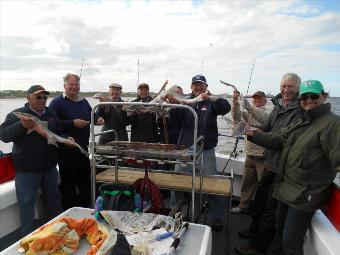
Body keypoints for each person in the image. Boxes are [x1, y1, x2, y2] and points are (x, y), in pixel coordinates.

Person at [245, 80, 340, 255]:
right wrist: (251, 132)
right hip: (286, 189)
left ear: (324, 96)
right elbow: (277, 139)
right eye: (304, 97)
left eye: (314, 96)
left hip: (305, 196)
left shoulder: (333, 124)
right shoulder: (301, 121)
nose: (309, 100)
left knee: (291, 243)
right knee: (280, 230)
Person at [235, 73, 302, 255]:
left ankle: (257, 246)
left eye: (290, 86)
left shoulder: (299, 110)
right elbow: (268, 126)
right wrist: (247, 126)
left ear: (298, 88)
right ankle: (253, 231)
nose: (286, 90)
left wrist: (251, 133)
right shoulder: (279, 105)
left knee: (270, 210)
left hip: (282, 167)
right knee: (259, 203)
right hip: (270, 161)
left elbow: (279, 140)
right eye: (283, 86)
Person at [0, 85, 65, 236]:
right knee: (27, 204)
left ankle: (58, 233)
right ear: (28, 98)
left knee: (54, 200)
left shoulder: (50, 114)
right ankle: (27, 239)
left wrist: (65, 137)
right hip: (26, 170)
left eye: (45, 97)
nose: (42, 100)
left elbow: (57, 131)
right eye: (38, 97)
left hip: (49, 168)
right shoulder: (16, 114)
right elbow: (3, 135)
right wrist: (22, 125)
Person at [168, 75, 231, 230]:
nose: (198, 87)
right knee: (177, 183)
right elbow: (174, 121)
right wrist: (175, 106)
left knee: (212, 185)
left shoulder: (211, 101)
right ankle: (173, 213)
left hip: (206, 149)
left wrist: (212, 98)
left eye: (200, 85)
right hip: (185, 149)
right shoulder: (185, 100)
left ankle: (218, 217)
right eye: (195, 85)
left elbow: (226, 107)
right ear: (191, 87)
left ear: (206, 86)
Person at [49, 73, 104, 209]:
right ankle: (70, 214)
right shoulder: (56, 103)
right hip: (66, 152)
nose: (74, 87)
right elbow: (52, 125)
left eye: (76, 84)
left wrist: (97, 119)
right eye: (71, 84)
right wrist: (72, 123)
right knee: (69, 186)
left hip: (83, 150)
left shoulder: (83, 101)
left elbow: (92, 114)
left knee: (85, 183)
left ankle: (87, 211)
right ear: (65, 86)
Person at [231, 91, 269, 213]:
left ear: (265, 100)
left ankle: (263, 211)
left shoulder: (268, 114)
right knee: (246, 183)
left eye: (259, 98)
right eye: (254, 98)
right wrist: (235, 104)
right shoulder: (248, 113)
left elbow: (264, 121)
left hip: (263, 156)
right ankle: (243, 206)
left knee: (264, 187)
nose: (256, 100)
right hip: (250, 154)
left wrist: (247, 106)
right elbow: (236, 117)